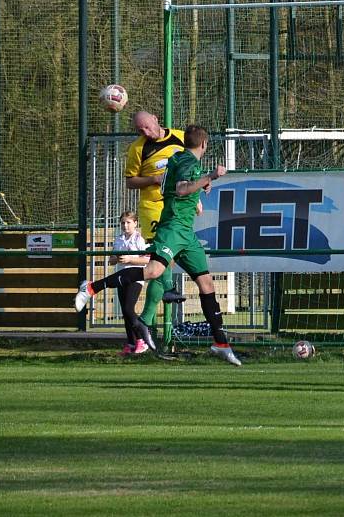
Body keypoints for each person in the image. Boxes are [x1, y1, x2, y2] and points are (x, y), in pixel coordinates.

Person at [76, 125, 242, 366]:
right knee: (153, 271)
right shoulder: (190, 163)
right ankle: (91, 287)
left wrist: (201, 183)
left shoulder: (176, 156)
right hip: (173, 227)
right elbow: (182, 188)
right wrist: (210, 177)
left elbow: (175, 179)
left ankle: (221, 344)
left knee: (206, 284)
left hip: (186, 233)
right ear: (204, 144)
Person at [125, 111, 187, 338]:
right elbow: (130, 181)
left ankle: (144, 324)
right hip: (153, 207)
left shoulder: (181, 137)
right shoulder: (138, 148)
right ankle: (149, 318)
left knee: (164, 265)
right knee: (163, 260)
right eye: (139, 130)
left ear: (155, 119)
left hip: (179, 208)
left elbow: (192, 164)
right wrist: (154, 179)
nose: (144, 132)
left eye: (146, 127)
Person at [109, 211, 150, 356]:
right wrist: (117, 258)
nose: (125, 226)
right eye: (123, 223)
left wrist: (130, 260)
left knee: (128, 309)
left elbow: (146, 260)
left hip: (135, 277)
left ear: (135, 223)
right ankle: (131, 344)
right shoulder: (119, 239)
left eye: (128, 222)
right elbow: (111, 259)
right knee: (125, 312)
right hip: (122, 276)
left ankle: (141, 340)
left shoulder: (139, 239)